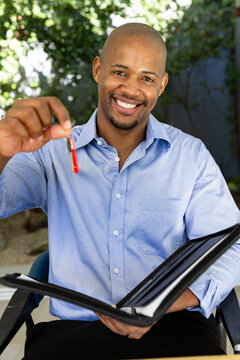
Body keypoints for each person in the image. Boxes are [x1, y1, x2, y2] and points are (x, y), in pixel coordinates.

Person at [0, 22, 240, 359]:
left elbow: (232, 243)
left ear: (162, 84)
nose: (131, 89)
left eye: (146, 78)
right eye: (120, 72)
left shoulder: (191, 156)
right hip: (73, 337)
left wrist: (172, 300)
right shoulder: (50, 153)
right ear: (98, 69)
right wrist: (2, 150)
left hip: (174, 331)